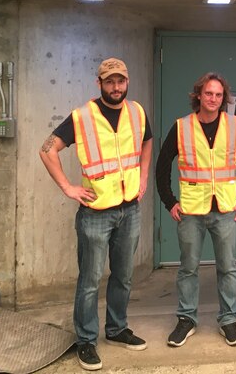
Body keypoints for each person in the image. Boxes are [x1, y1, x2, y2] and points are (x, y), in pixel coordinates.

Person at [39, 57, 152, 371]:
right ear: (99, 83)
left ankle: (116, 329)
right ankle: (86, 340)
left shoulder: (136, 112)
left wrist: (143, 176)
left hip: (129, 209)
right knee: (89, 281)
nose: (116, 87)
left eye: (120, 81)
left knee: (124, 276)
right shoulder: (82, 117)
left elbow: (147, 141)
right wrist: (68, 187)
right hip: (95, 213)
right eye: (110, 81)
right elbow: (47, 149)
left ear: (126, 82)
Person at [155, 72, 236, 348]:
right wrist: (169, 202)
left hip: (224, 209)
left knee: (228, 268)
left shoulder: (234, 126)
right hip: (190, 211)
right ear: (198, 95)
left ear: (224, 98)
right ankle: (186, 320)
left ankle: (228, 320)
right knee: (188, 268)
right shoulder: (181, 127)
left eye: (219, 95)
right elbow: (162, 167)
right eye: (208, 93)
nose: (213, 99)